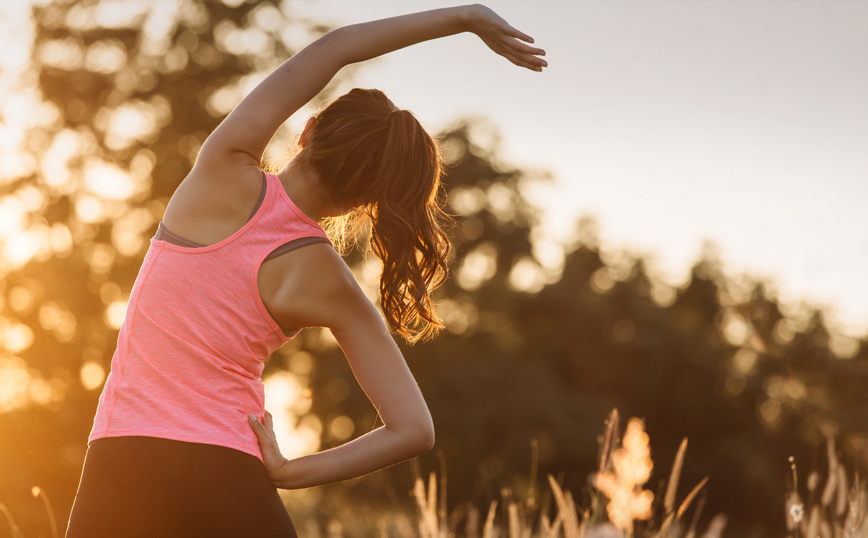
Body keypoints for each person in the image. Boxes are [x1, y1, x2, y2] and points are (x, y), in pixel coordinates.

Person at [65, 4, 546, 537]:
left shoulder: (222, 169)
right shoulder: (330, 282)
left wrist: (465, 17)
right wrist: (291, 472)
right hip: (230, 473)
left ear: (308, 130)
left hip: (124, 459)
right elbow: (413, 430)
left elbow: (336, 48)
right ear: (367, 200)